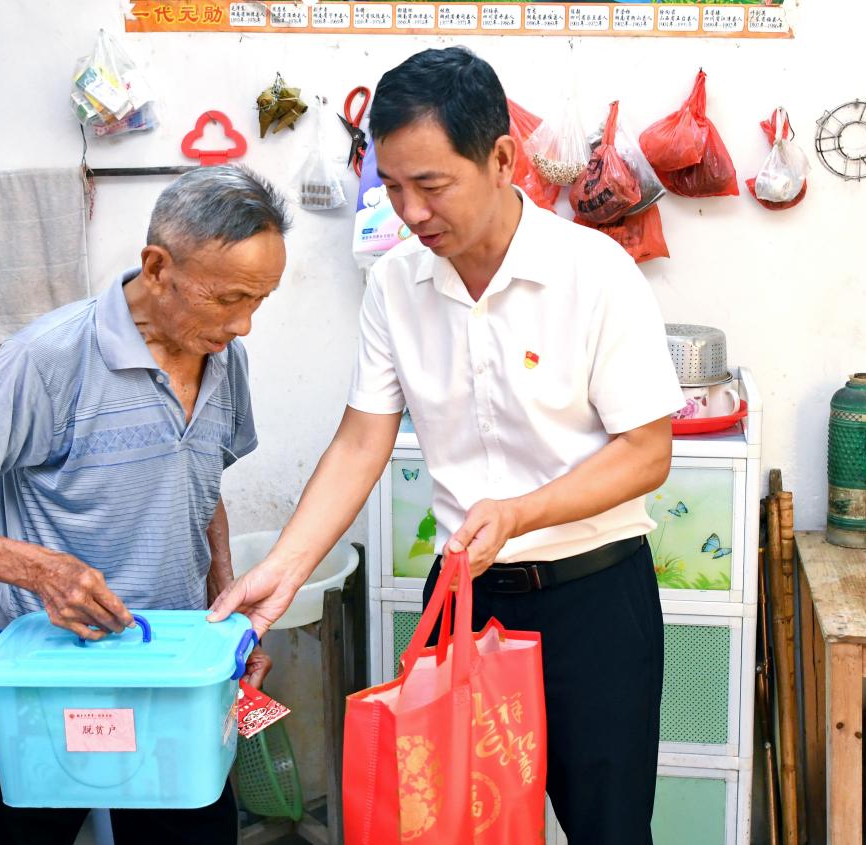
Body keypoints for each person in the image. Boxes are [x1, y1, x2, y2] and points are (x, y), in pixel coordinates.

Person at [208, 48, 683, 845]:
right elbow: (362, 439)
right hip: (465, 598)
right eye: (392, 188)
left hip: (594, 600)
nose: (412, 212)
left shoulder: (594, 273)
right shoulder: (396, 284)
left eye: (431, 185)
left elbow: (647, 451)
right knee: (453, 824)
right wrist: (281, 572)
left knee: (608, 827)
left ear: (502, 159)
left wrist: (521, 510)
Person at [0, 165, 289, 845]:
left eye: (259, 300)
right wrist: (43, 571)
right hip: (48, 695)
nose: (242, 324)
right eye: (228, 298)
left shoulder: (223, 357)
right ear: (156, 267)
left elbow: (202, 486)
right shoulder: (50, 357)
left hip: (172, 686)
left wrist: (225, 617)